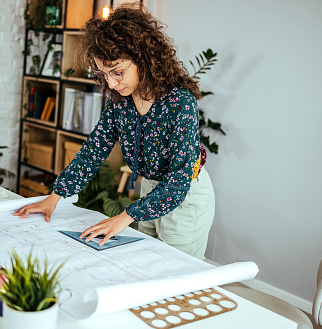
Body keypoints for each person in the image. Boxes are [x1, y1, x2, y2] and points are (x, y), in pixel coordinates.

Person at [14, 3, 215, 260]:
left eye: (118, 72)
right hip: (150, 190)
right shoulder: (121, 101)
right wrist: (55, 196)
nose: (111, 82)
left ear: (144, 59)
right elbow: (93, 151)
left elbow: (178, 181)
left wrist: (125, 217)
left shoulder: (180, 103)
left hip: (185, 196)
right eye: (104, 73)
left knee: (174, 274)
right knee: (145, 266)